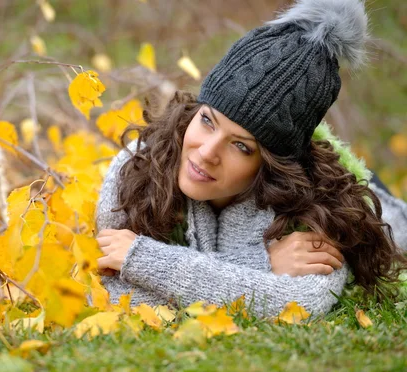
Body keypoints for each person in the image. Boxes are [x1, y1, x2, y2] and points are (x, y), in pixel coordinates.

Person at [94, 0, 407, 317]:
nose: (206, 152)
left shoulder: (320, 205)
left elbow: (303, 305)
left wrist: (144, 260)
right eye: (207, 121)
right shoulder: (138, 167)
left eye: (241, 146)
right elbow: (109, 291)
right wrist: (262, 270)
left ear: (272, 165)